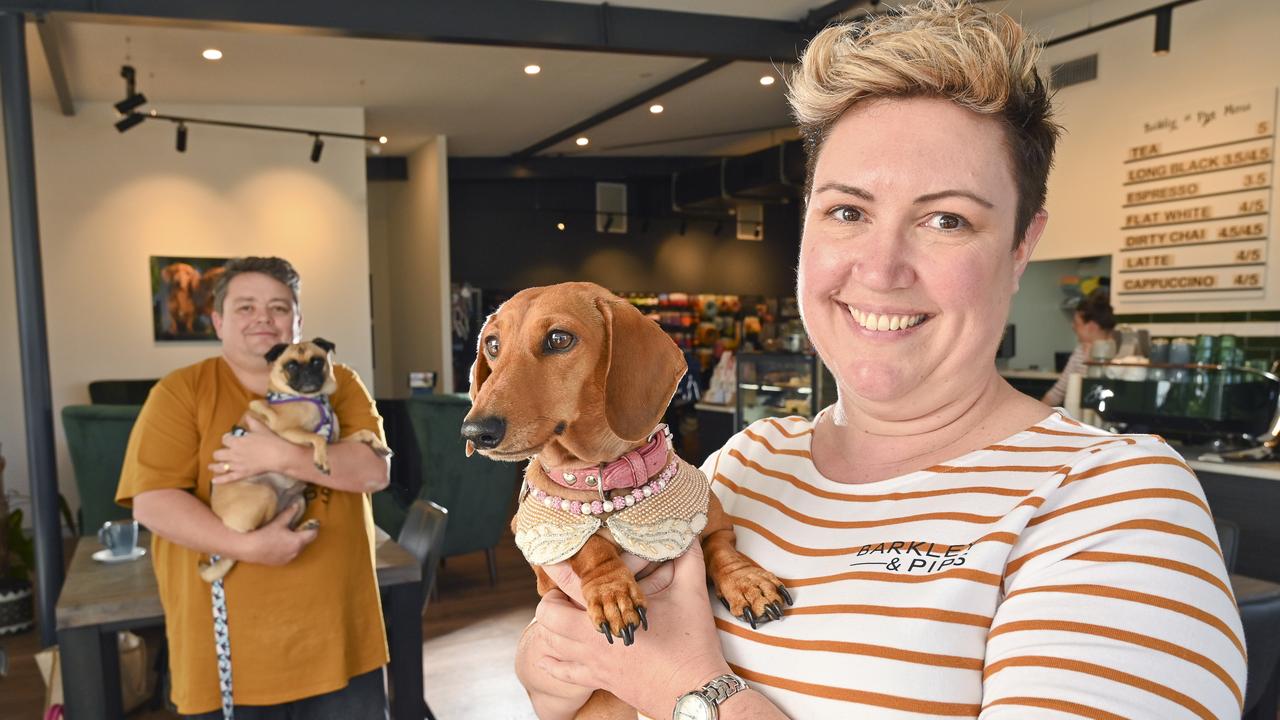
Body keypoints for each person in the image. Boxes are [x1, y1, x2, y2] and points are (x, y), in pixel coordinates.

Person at [515, 2, 1246, 719]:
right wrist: (557, 669)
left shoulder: (1113, 502)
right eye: (848, 211)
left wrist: (690, 690)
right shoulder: (744, 464)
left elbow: (654, 672)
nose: (883, 267)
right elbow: (578, 679)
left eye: (947, 219)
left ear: (1022, 246)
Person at [116, 256, 392, 718]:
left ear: (298, 321)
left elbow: (373, 472)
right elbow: (152, 503)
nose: (263, 317)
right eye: (245, 307)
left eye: (279, 308)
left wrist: (281, 455)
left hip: (342, 642)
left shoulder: (337, 381)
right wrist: (249, 547)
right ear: (218, 321)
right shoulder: (181, 391)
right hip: (229, 654)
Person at [1041, 291, 1116, 406]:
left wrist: (1089, 359)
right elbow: (1058, 392)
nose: (1073, 326)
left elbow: (1105, 391)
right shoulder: (1080, 350)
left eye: (1077, 323)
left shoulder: (1120, 353)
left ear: (1092, 327)